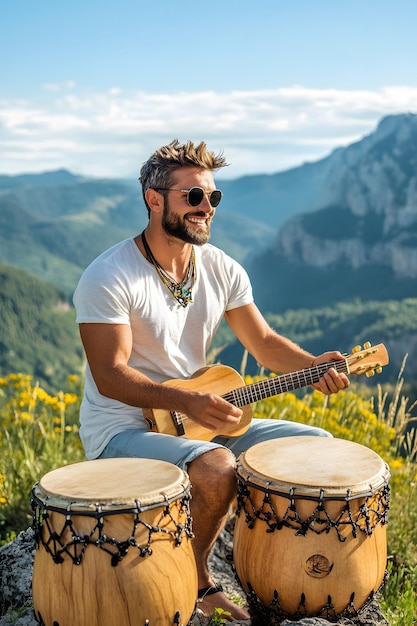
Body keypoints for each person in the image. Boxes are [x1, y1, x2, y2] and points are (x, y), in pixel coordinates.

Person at [73, 139, 350, 621]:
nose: (206, 209)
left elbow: (262, 342)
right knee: (218, 467)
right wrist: (187, 400)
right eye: (193, 197)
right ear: (153, 199)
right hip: (122, 430)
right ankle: (198, 584)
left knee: (317, 447)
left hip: (198, 425)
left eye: (213, 198)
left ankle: (276, 579)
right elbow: (110, 375)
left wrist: (313, 365)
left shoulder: (221, 268)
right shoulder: (109, 275)